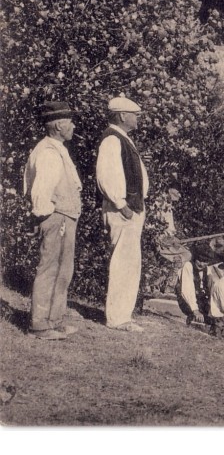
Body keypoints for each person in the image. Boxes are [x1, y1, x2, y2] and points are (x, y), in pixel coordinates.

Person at [22, 101, 83, 340]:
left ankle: (54, 320)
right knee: (50, 268)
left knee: (63, 269)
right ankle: (39, 325)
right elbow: (40, 189)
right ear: (59, 125)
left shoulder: (57, 148)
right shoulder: (48, 152)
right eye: (70, 122)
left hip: (64, 216)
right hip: (56, 216)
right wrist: (46, 214)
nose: (74, 126)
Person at [96, 96, 149, 332]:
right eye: (134, 114)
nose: (137, 118)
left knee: (129, 263)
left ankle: (123, 315)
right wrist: (122, 205)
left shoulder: (123, 138)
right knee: (122, 263)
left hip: (132, 208)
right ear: (121, 115)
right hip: (123, 210)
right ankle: (117, 318)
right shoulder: (112, 139)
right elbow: (106, 176)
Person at [176, 242, 215, 327]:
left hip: (201, 297)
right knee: (197, 318)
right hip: (187, 299)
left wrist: (212, 305)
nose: (201, 264)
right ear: (194, 258)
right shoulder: (188, 266)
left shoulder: (207, 269)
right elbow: (187, 289)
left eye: (205, 261)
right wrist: (195, 310)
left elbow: (211, 286)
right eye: (199, 260)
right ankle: (192, 320)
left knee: (213, 320)